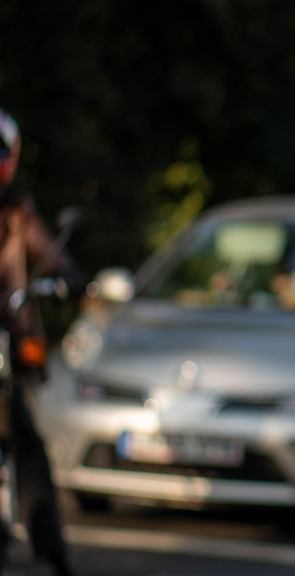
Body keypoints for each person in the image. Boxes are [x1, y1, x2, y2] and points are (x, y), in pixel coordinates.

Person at [0, 107, 74, 576]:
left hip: (9, 335)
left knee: (25, 435)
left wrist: (65, 272)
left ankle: (49, 545)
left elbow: (46, 249)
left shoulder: (17, 210)